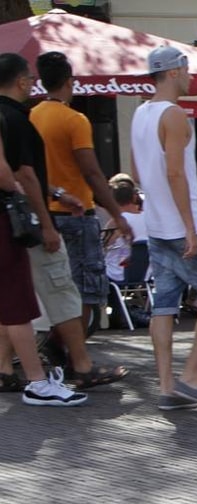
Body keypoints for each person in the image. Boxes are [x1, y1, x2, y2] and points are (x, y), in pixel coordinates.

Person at [0, 52, 126, 392]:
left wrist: (54, 192)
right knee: (68, 291)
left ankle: (4, 367)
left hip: (16, 220)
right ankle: (78, 365)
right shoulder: (42, 119)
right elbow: (26, 175)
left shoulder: (30, 115)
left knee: (13, 295)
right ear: (23, 81)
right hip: (40, 218)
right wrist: (47, 222)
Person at [130, 45, 197, 410]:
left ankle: (166, 387)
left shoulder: (140, 113)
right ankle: (191, 376)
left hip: (156, 224)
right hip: (179, 225)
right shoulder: (174, 115)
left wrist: (188, 195)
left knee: (164, 305)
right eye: (188, 70)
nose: (191, 77)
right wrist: (192, 225)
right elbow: (174, 171)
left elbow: (139, 172)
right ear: (174, 72)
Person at [0, 66, 86, 405]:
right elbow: (8, 172)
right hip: (5, 218)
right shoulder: (13, 117)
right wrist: (19, 191)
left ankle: (9, 370)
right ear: (21, 81)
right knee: (17, 303)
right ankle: (37, 381)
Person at [33, 52, 133, 321]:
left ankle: (58, 346)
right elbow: (91, 171)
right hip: (78, 214)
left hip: (45, 214)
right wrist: (117, 213)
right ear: (69, 81)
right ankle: (75, 350)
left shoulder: (31, 117)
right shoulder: (75, 120)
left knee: (52, 288)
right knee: (85, 290)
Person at [104, 182, 148, 283]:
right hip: (146, 272)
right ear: (134, 198)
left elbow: (105, 245)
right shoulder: (148, 218)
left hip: (118, 272)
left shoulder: (117, 222)